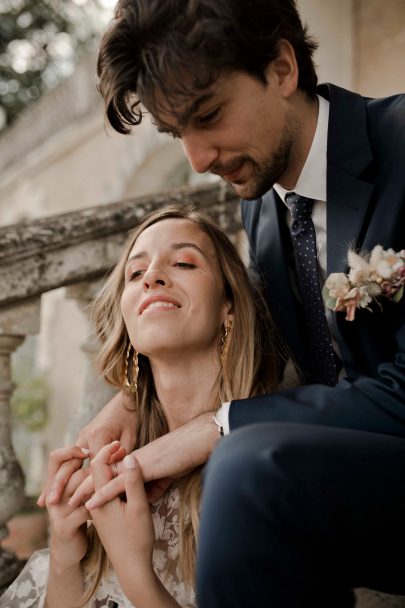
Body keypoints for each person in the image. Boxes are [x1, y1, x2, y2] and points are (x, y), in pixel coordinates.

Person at [40, 1, 405, 606]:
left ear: (282, 68)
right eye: (177, 133)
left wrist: (219, 426)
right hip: (350, 492)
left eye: (207, 116)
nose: (198, 159)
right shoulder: (262, 207)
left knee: (243, 467)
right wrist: (131, 398)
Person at [2, 205, 278, 607]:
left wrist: (135, 571)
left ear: (229, 307)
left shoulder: (265, 459)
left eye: (184, 262)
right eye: (135, 273)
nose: (152, 276)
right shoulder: (109, 453)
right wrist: (65, 554)